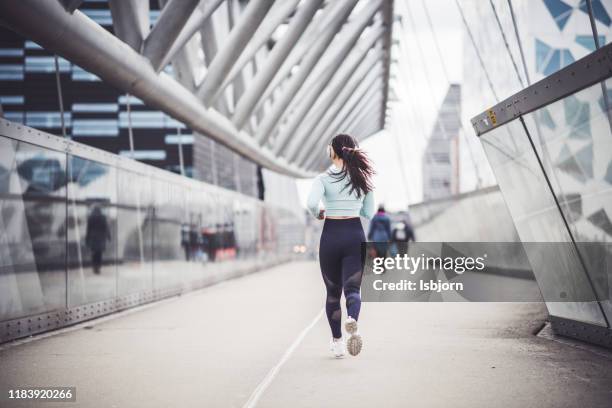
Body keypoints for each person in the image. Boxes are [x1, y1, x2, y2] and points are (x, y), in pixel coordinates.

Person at [307, 134, 375, 358]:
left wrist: (320, 213)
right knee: (353, 290)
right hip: (355, 235)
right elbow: (369, 213)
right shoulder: (362, 179)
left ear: (332, 151)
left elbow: (311, 203)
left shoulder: (323, 179)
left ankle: (337, 342)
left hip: (331, 236)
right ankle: (352, 319)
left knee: (333, 293)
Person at [85, 205, 111, 274]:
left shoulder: (90, 217)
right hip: (101, 238)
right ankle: (98, 267)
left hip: (93, 238)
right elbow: (106, 227)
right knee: (99, 253)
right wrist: (109, 237)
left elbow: (88, 229)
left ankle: (94, 267)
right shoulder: (103, 217)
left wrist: (87, 239)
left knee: (94, 253)